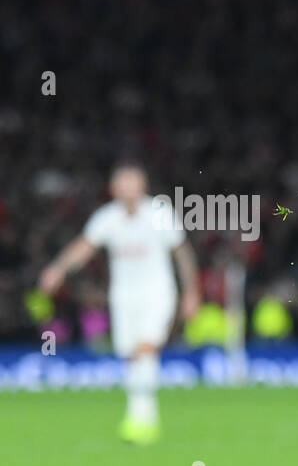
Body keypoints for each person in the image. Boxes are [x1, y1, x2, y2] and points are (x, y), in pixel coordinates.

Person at [39, 163, 200, 444]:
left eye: (133, 182)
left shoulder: (159, 213)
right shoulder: (107, 217)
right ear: (114, 188)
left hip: (157, 292)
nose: (127, 188)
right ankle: (140, 415)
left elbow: (182, 252)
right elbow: (85, 247)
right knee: (130, 355)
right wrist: (58, 269)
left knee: (145, 347)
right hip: (124, 296)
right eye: (122, 183)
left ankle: (143, 419)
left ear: (143, 186)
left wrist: (191, 292)